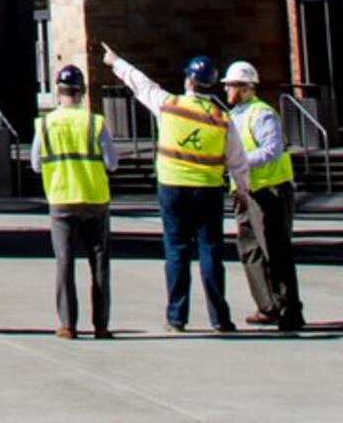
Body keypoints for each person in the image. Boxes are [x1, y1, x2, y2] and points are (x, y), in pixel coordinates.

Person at [106, 45, 236, 333]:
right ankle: (219, 318)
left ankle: (177, 316)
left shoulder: (170, 105)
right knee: (211, 253)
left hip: (173, 188)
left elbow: (142, 85)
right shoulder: (222, 117)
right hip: (208, 190)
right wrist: (243, 188)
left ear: (189, 80)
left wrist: (116, 62)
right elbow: (237, 159)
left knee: (176, 251)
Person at [223, 61, 305, 332]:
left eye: (231, 85)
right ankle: (267, 306)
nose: (226, 89)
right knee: (250, 251)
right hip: (246, 192)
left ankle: (290, 309)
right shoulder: (233, 116)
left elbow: (271, 149)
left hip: (270, 191)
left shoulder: (262, 114)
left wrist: (240, 163)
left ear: (246, 87)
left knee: (276, 250)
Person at [34, 62, 114, 339]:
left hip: (62, 199)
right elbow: (112, 162)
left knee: (65, 262)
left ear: (58, 91)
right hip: (94, 198)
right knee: (100, 263)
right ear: (82, 92)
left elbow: (34, 163)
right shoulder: (95, 122)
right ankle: (101, 324)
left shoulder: (45, 124)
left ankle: (68, 324)